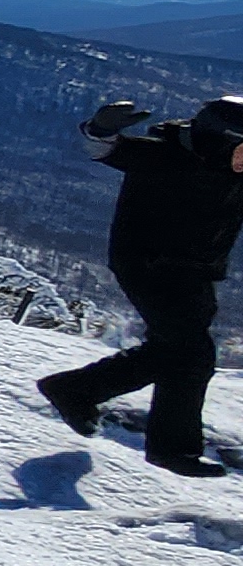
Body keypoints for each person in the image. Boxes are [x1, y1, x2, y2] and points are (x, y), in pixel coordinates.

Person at [38, 96, 243, 477]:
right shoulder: (164, 156)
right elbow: (107, 150)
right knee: (191, 352)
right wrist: (100, 129)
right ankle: (170, 448)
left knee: (175, 351)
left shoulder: (231, 169)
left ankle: (76, 391)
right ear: (220, 139)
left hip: (197, 271)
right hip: (150, 266)